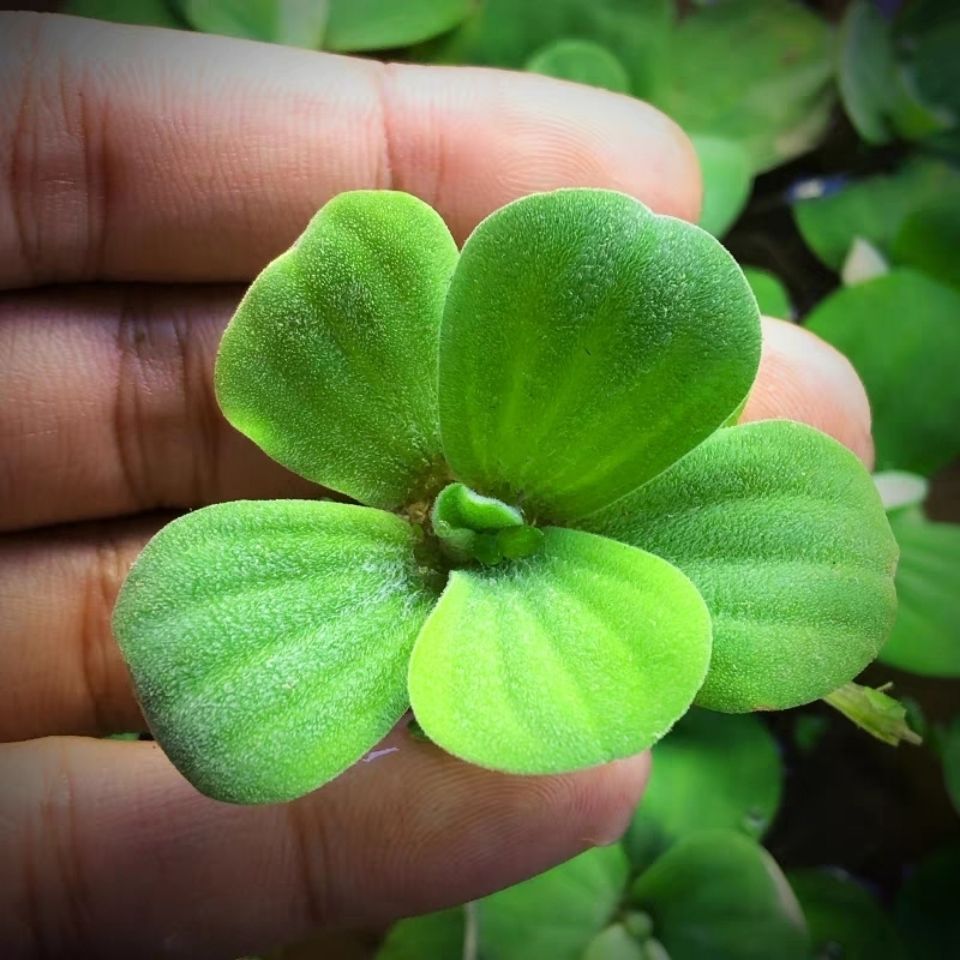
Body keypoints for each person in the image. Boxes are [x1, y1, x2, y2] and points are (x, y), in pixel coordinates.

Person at [0, 11, 874, 958]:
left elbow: (812, 578)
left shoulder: (769, 546)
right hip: (382, 551)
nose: (461, 516)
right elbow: (216, 673)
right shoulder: (361, 328)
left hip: (577, 577)